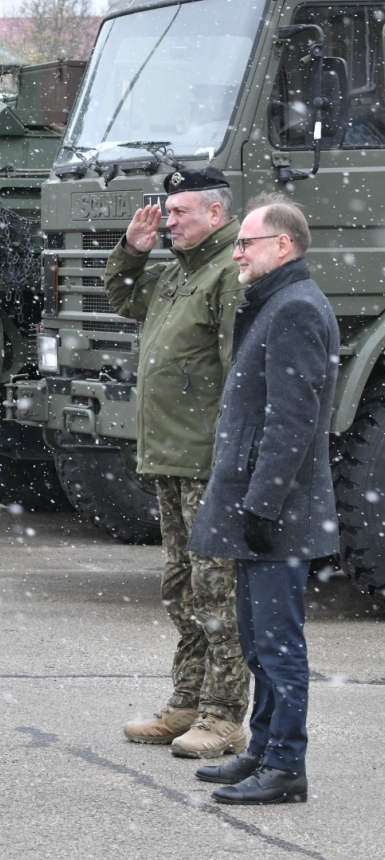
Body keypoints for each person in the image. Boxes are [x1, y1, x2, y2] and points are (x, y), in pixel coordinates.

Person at [189, 195, 338, 805]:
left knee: (277, 645)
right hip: (263, 507)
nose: (238, 252)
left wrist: (263, 503)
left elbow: (291, 423)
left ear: (283, 245)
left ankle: (285, 767)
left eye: (247, 242)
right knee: (257, 641)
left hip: (277, 512)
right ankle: (260, 750)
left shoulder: (296, 308)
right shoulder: (277, 303)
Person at [108, 167, 251, 758]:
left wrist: (230, 460)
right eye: (166, 214)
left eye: (179, 214)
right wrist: (132, 252)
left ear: (215, 214)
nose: (168, 223)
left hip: (206, 462)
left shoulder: (227, 276)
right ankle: (187, 702)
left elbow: (239, 375)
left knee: (217, 594)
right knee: (181, 589)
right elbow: (123, 300)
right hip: (171, 459)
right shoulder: (177, 272)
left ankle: (224, 717)